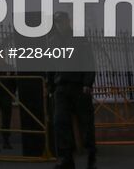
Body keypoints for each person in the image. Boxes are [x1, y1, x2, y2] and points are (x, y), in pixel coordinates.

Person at [48, 12, 96, 169]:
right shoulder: (53, 41)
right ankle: (65, 159)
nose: (60, 25)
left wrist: (88, 82)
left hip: (79, 86)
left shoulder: (79, 38)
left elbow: (89, 61)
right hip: (61, 87)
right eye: (57, 22)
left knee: (86, 123)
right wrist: (50, 85)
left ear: (68, 22)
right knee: (59, 123)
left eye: (62, 21)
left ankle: (91, 158)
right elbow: (50, 65)